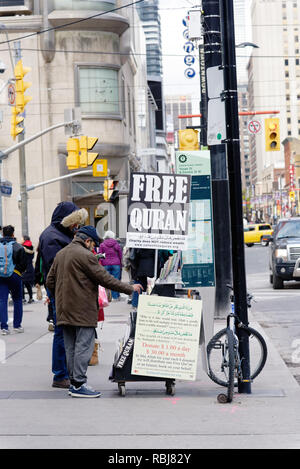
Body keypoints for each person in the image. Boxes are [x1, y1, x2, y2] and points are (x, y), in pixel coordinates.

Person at [46, 225, 143, 398]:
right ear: (87, 241)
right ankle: (78, 384)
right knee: (84, 345)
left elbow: (49, 281)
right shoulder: (85, 256)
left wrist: (61, 297)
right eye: (93, 244)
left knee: (70, 347)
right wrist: (129, 288)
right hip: (82, 309)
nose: (94, 248)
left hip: (64, 309)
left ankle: (73, 383)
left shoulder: (61, 254)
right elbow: (105, 278)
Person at [39, 202, 88, 389]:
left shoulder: (59, 234)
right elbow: (57, 268)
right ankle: (60, 374)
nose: (76, 226)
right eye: (75, 222)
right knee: (62, 331)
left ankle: (65, 372)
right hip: (61, 290)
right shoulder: (53, 237)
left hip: (64, 288)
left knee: (66, 330)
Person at [0, 225, 27, 334]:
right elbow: (23, 264)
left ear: (2, 234)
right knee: (17, 299)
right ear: (13, 234)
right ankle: (17, 325)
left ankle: (4, 327)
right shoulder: (18, 246)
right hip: (15, 275)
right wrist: (18, 272)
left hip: (1, 275)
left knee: (2, 300)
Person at [98, 231, 123, 301]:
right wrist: (120, 263)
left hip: (106, 264)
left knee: (107, 281)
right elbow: (120, 255)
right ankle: (115, 297)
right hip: (116, 264)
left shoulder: (102, 244)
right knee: (115, 281)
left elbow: (100, 255)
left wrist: (102, 263)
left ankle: (108, 297)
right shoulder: (116, 244)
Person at [21, 236, 35, 304]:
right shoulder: (31, 247)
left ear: (24, 240)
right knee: (28, 284)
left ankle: (23, 298)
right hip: (30, 267)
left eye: (22, 238)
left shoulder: (22, 248)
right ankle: (31, 297)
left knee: (22, 283)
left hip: (24, 268)